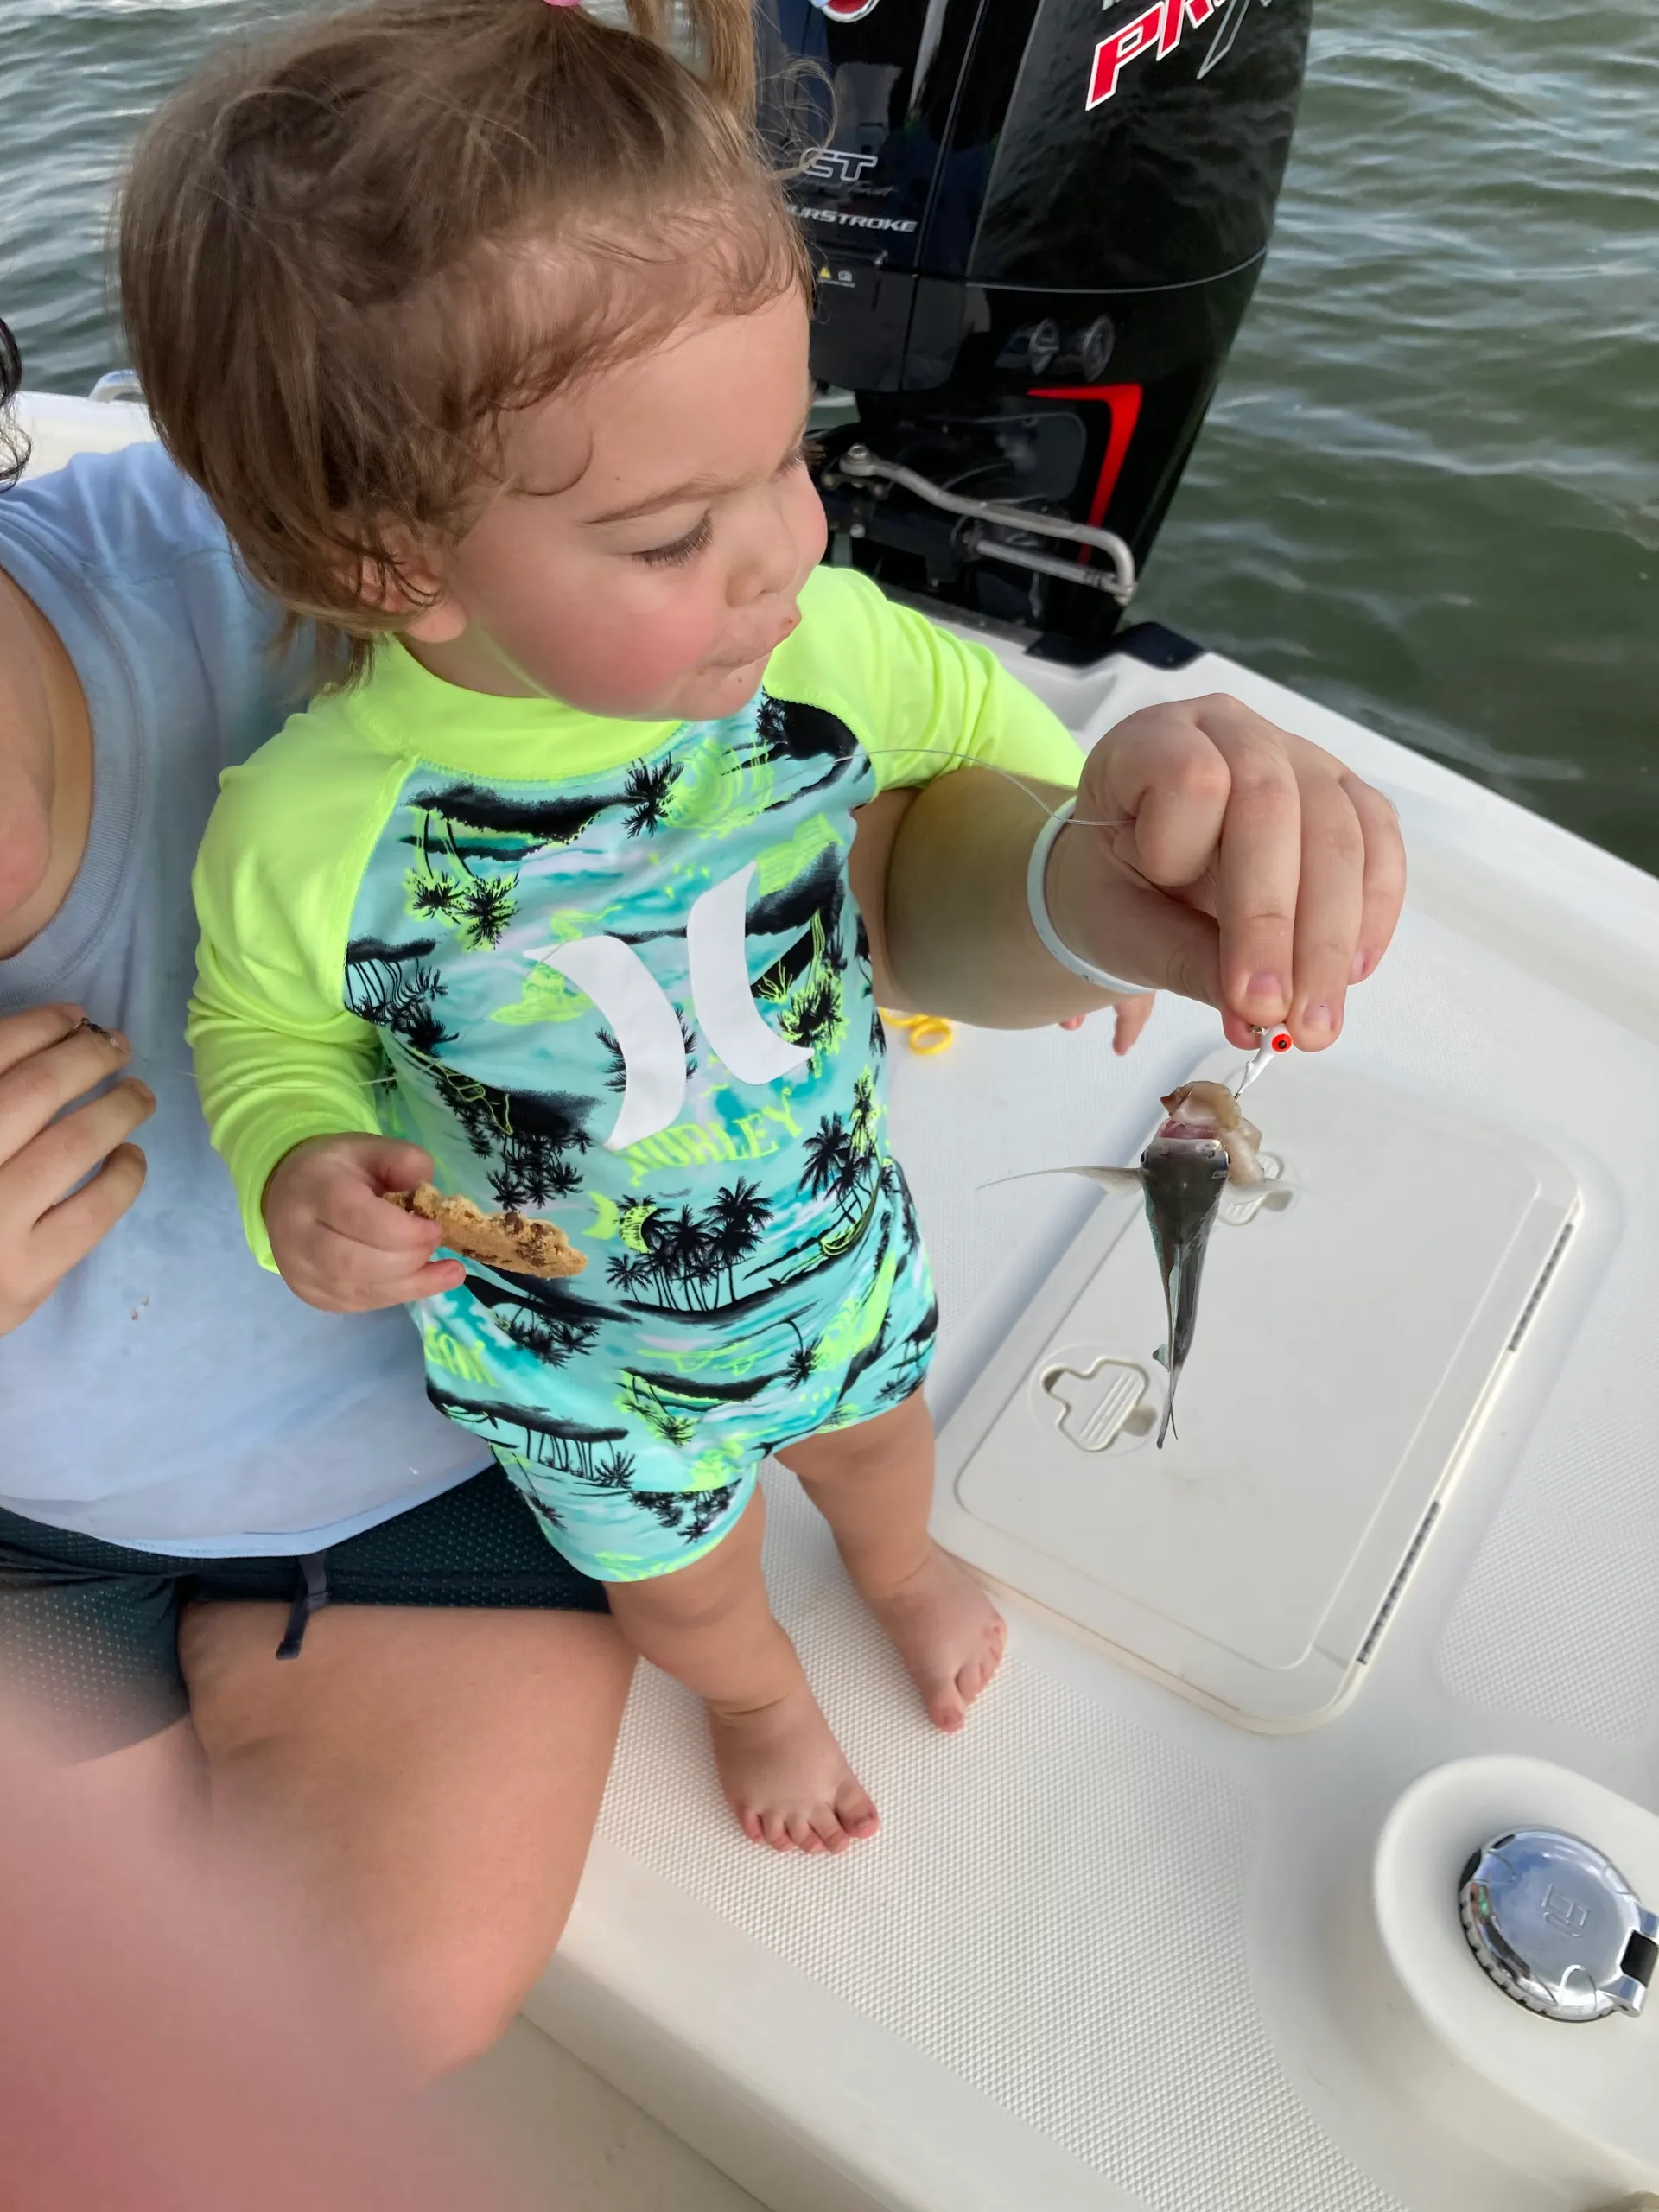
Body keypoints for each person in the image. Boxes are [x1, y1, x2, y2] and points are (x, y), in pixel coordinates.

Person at [116, 0, 1407, 1863]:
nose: (786, 548)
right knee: (683, 1586)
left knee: (884, 1447)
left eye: (788, 457)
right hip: (569, 1350)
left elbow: (979, 731)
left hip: (833, 1246)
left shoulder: (819, 644)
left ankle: (901, 1567)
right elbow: (263, 1029)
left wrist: (1109, 869)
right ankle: (755, 1696)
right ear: (391, 563)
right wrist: (296, 1162)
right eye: (669, 536)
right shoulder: (310, 823)